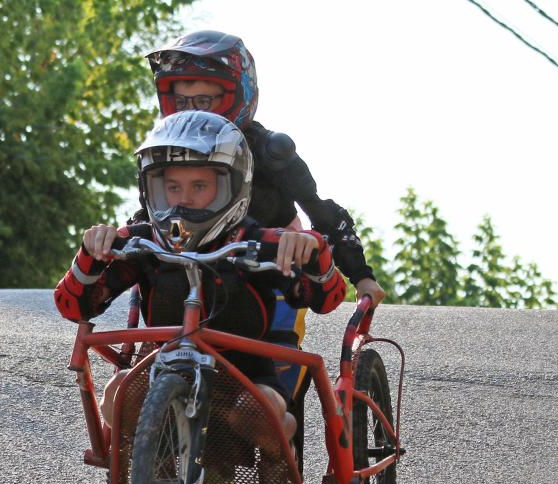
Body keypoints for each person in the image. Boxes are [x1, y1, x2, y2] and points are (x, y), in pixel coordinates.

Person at [55, 110, 347, 484]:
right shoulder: (143, 241)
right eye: (171, 186)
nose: (183, 199)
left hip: (249, 370)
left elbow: (328, 299)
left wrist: (313, 250)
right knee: (118, 394)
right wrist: (90, 254)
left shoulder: (260, 240)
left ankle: (279, 462)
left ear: (231, 187)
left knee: (254, 412)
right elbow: (74, 307)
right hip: (166, 364)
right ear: (151, 188)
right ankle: (155, 458)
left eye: (199, 186)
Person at [145, 30, 386, 308]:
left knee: (278, 346)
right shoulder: (164, 155)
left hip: (270, 277)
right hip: (185, 270)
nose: (193, 112)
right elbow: (146, 216)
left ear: (240, 94)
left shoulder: (271, 150)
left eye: (203, 101)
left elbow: (320, 212)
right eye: (183, 102)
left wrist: (361, 276)